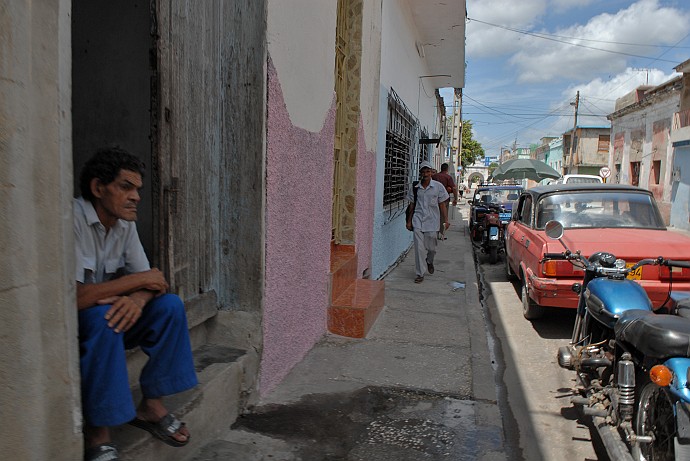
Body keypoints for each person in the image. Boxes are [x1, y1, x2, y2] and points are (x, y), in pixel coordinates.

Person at [75, 147, 198, 461]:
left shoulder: (124, 225)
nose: (135, 197)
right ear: (98, 188)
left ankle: (151, 406)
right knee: (105, 315)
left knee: (169, 306)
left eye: (138, 190)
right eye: (125, 187)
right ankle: (98, 433)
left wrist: (138, 298)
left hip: (110, 318)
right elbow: (75, 298)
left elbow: (154, 282)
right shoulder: (72, 219)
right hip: (78, 326)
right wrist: (135, 284)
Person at [406, 161, 450, 283]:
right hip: (418, 220)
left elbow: (442, 205)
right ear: (420, 173)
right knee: (419, 248)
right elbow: (412, 205)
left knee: (432, 248)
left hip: (432, 221)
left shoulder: (438, 187)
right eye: (423, 172)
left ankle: (429, 261)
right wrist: (409, 221)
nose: (425, 174)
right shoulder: (415, 188)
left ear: (432, 172)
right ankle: (420, 273)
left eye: (428, 171)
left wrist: (446, 220)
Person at [432, 163, 458, 240]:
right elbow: (454, 188)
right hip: (444, 199)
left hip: (434, 199)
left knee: (434, 215)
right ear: (447, 169)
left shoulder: (434, 176)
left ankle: (433, 232)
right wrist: (455, 199)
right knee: (443, 216)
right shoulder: (448, 177)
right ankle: (441, 234)